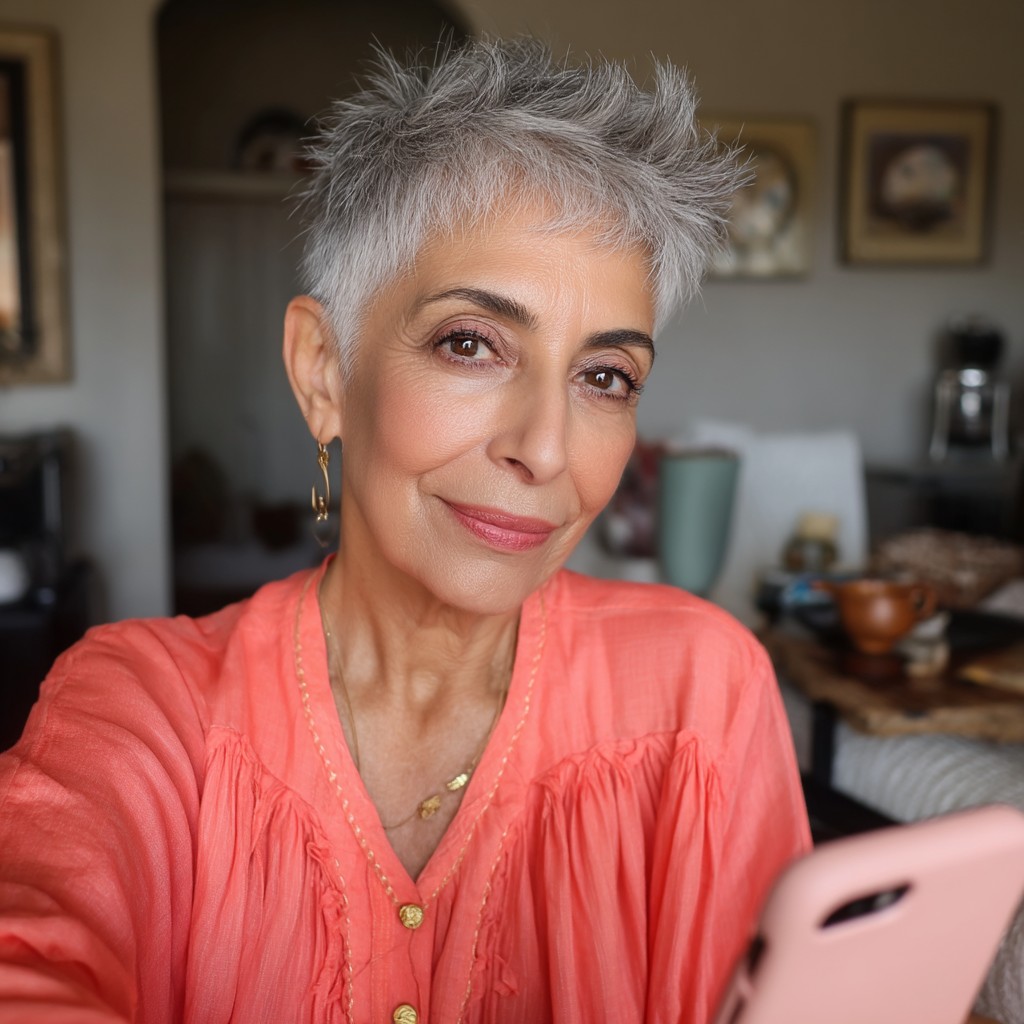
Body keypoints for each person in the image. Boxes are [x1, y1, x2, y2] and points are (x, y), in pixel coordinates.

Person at [0, 37, 809, 1023]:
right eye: (470, 343)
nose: (544, 449)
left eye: (605, 376)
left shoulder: (703, 694)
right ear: (324, 371)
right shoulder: (143, 710)